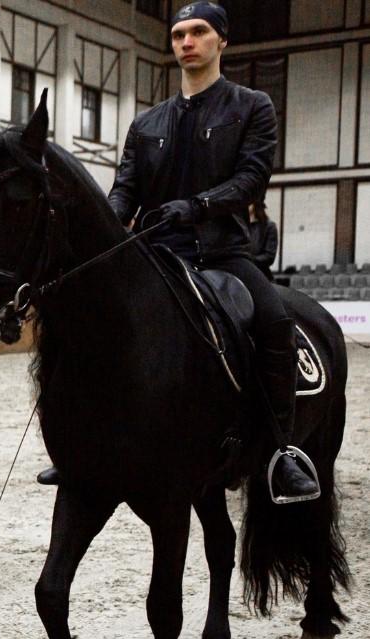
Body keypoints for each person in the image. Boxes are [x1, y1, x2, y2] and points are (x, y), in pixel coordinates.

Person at [105, 1, 316, 500]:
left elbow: (251, 179)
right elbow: (124, 190)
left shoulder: (252, 106)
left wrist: (197, 206)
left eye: (198, 31)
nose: (186, 42)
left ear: (222, 40)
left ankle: (281, 451)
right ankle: (92, 442)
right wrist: (108, 225)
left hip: (222, 253)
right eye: (178, 34)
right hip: (156, 255)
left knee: (275, 323)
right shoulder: (146, 123)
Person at [248, 202, 278, 281]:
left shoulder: (269, 226)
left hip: (261, 275)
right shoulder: (240, 226)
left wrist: (247, 260)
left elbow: (269, 256)